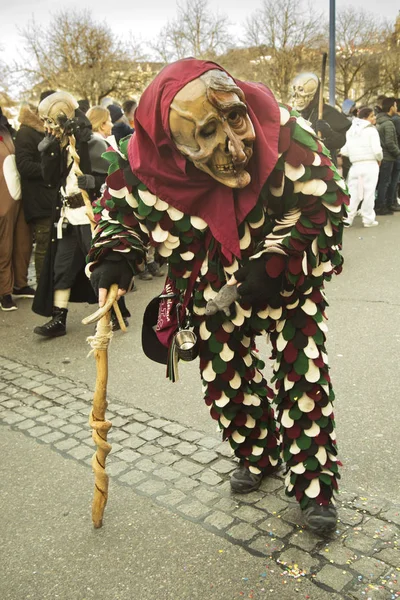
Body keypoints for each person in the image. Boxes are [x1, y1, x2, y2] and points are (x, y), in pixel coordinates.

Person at [87, 59, 349, 535]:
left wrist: (279, 260)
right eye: (206, 132)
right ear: (170, 143)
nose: (234, 145)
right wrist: (114, 260)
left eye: (235, 117)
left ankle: (315, 483)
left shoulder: (286, 131)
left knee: (303, 370)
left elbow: (326, 200)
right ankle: (257, 451)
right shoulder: (138, 161)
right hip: (205, 284)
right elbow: (119, 214)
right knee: (226, 376)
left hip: (283, 277)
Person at [32, 91, 97, 336]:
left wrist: (96, 181)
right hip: (67, 216)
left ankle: (111, 311)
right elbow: (50, 179)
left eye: (50, 120)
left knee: (99, 266)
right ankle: (59, 318)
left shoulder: (89, 141)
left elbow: (115, 175)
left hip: (89, 214)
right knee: (62, 266)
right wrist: (48, 151)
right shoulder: (60, 144)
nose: (48, 126)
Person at [84, 105, 132, 330]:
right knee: (103, 261)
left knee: (107, 261)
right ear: (102, 122)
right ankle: (112, 310)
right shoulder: (96, 143)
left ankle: (116, 310)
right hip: (97, 212)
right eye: (108, 121)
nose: (112, 124)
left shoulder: (104, 143)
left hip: (104, 212)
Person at [15, 92, 58, 283]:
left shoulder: (43, 130)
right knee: (43, 245)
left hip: (48, 197)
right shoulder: (26, 132)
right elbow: (23, 166)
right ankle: (43, 286)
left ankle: (48, 285)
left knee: (51, 243)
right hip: (38, 199)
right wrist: (48, 168)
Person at [0, 108, 33, 311]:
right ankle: (4, 291)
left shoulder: (7, 132)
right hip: (4, 199)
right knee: (4, 246)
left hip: (18, 195)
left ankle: (20, 284)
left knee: (22, 243)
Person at [290, 72, 351, 164]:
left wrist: (329, 133)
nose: (296, 96)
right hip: (301, 166)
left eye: (301, 91)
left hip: (324, 166)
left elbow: (341, 141)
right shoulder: (294, 114)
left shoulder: (327, 112)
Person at [340, 107, 383, 227]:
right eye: (372, 116)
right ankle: (368, 219)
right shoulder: (371, 130)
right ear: (366, 118)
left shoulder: (351, 131)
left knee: (354, 193)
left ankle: (348, 218)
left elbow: (345, 150)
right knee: (369, 193)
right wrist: (379, 159)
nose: (374, 118)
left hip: (355, 165)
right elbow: (377, 150)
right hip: (370, 165)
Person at [375, 97, 400, 215]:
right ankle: (381, 206)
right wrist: (398, 153)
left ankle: (382, 204)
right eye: (395, 106)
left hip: (383, 156)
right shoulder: (388, 123)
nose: (396, 108)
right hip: (388, 157)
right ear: (391, 108)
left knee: (383, 182)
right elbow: (390, 143)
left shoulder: (380, 121)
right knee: (385, 182)